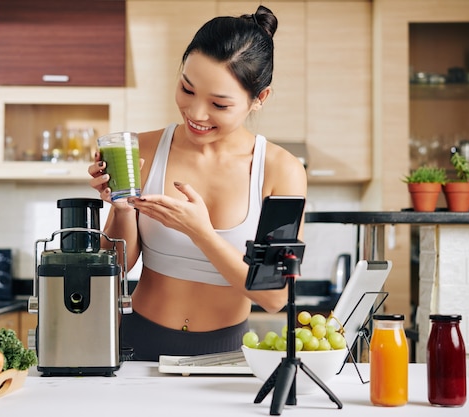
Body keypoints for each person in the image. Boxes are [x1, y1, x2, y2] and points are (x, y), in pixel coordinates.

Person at [88, 5, 307, 361]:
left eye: (219, 104)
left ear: (259, 99)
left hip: (225, 355)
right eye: (187, 90)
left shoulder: (280, 171)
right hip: (135, 345)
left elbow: (274, 297)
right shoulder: (142, 149)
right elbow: (115, 268)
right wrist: (122, 209)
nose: (196, 113)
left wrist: (200, 232)